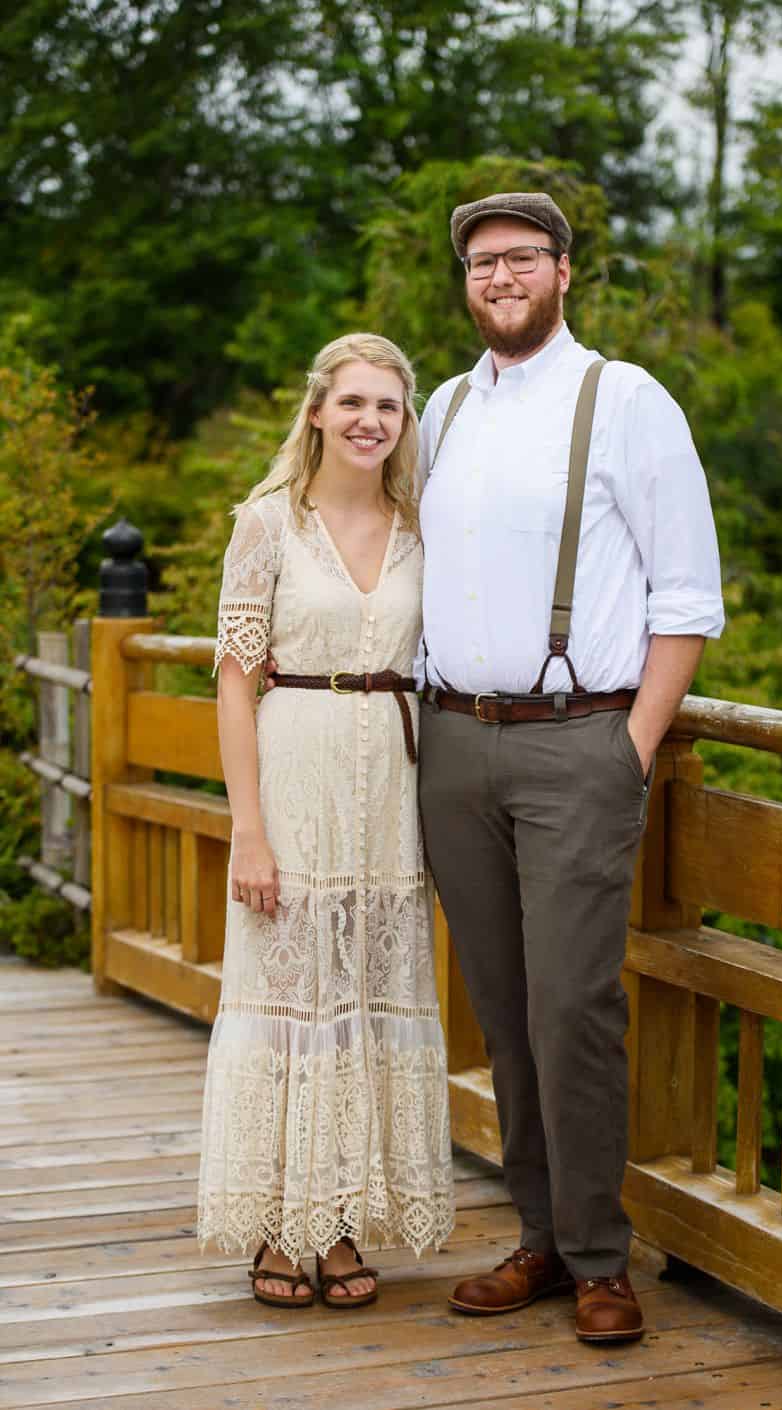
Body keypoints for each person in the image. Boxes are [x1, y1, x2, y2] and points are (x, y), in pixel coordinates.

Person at [416, 192, 725, 1344]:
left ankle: (602, 1258)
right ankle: (539, 1240)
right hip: (450, 743)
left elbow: (686, 596)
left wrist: (628, 748)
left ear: (562, 272)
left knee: (573, 1010)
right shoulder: (440, 410)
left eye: (521, 259)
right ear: (467, 282)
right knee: (501, 1010)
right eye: (481, 263)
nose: (499, 278)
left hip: (576, 743)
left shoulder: (627, 400)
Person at [199, 333, 456, 1310]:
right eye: (350, 402)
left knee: (364, 991)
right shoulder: (267, 524)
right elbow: (232, 682)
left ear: (404, 423)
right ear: (316, 412)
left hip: (392, 781)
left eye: (386, 406)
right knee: (287, 992)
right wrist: (248, 829)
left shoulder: (424, 525)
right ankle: (276, 1224)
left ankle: (339, 1222)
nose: (368, 420)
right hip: (294, 763)